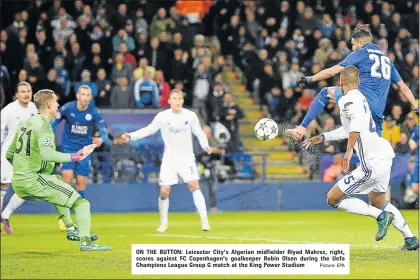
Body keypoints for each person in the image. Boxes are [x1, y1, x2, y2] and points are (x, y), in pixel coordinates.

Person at [303, 66, 418, 251]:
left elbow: (354, 127)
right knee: (380, 201)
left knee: (332, 199)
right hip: (384, 155)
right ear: (359, 82)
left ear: (341, 82)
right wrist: (324, 137)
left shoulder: (347, 100)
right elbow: (350, 129)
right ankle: (410, 238)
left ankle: (381, 217)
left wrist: (348, 152)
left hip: (371, 162)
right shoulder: (361, 98)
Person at [5, 89, 111, 251]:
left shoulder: (26, 123)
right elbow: (47, 154)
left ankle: (70, 227)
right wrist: (75, 156)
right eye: (55, 101)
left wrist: (22, 169)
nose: (58, 105)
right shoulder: (44, 126)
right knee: (82, 203)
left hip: (19, 182)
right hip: (32, 180)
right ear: (48, 104)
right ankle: (86, 242)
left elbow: (9, 154)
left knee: (57, 181)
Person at [288, 24, 418, 140]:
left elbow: (333, 71)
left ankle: (302, 128)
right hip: (377, 113)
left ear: (361, 42)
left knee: (325, 93)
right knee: (372, 155)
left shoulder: (362, 52)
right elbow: (403, 87)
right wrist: (416, 107)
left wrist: (310, 79)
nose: (353, 47)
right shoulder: (387, 60)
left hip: (360, 103)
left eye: (353, 44)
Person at [119, 89, 213, 232]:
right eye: (174, 98)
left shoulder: (190, 116)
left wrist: (205, 145)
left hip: (186, 158)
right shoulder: (163, 117)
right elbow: (148, 130)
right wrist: (131, 136)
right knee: (164, 191)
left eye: (179, 98)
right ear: (169, 101)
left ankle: (205, 222)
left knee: (194, 185)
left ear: (182, 100)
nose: (177, 101)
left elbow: (199, 133)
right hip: (169, 159)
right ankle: (164, 222)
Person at [51, 85, 108, 230]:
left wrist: (100, 139)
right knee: (67, 180)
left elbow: (104, 132)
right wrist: (48, 133)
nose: (84, 97)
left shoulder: (94, 112)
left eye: (87, 94)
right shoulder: (68, 108)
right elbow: (53, 123)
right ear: (77, 95)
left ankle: (80, 216)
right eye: (82, 94)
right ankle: (64, 217)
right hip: (68, 149)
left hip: (84, 152)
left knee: (81, 182)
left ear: (90, 97)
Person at [1, 82, 37, 234]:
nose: (26, 94)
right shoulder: (8, 110)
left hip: (26, 155)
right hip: (9, 154)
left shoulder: (33, 109)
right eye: (23, 91)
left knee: (27, 188)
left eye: (28, 91)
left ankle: (5, 215)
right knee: (3, 187)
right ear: (17, 94)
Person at [408, 124, 419, 194]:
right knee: (414, 188)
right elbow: (411, 140)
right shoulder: (418, 128)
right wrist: (412, 143)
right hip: (418, 161)